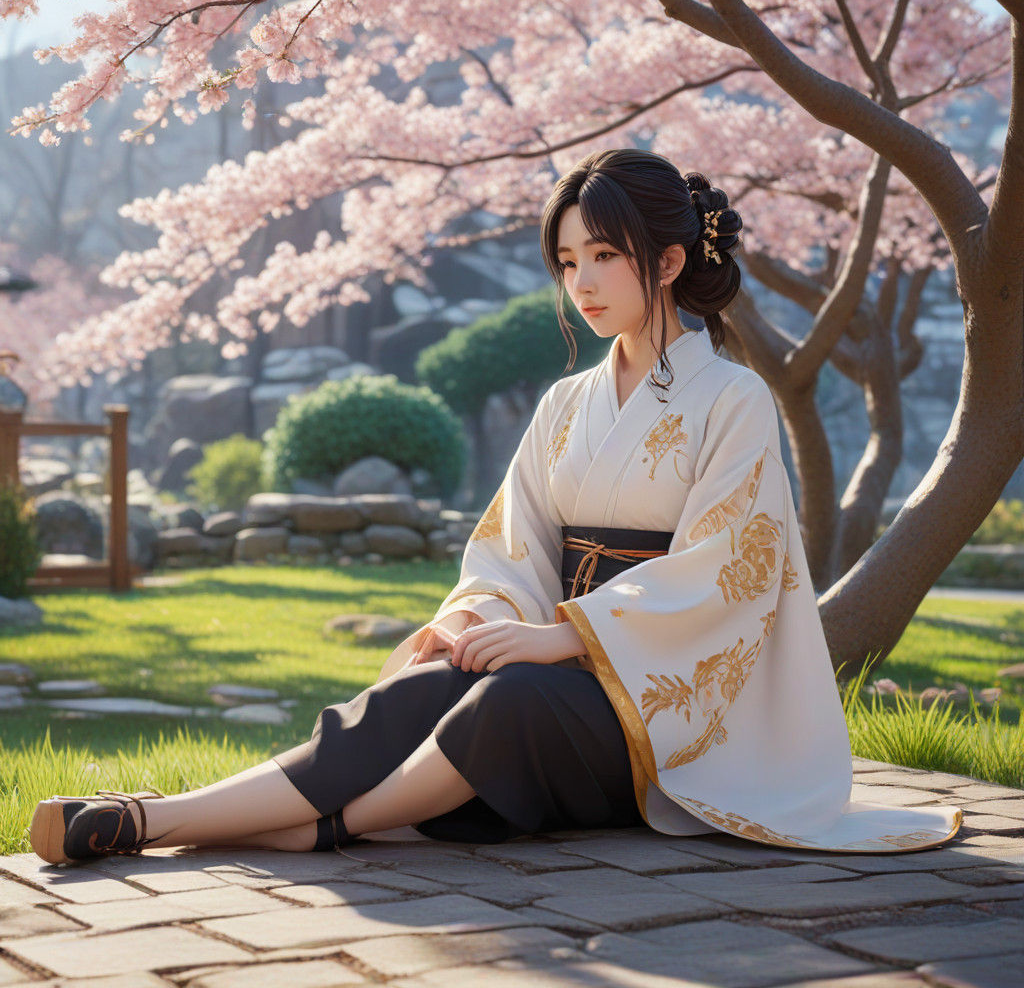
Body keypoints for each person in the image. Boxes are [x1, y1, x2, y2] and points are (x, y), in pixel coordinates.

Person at [30, 148, 962, 866]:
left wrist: (570, 635)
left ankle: (334, 829)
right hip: (564, 654)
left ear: (671, 259)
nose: (582, 282)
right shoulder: (567, 405)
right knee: (423, 689)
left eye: (605, 255)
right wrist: (480, 618)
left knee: (507, 701)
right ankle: (149, 818)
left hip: (664, 713)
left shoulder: (735, 400)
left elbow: (729, 576)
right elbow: (513, 546)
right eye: (566, 261)